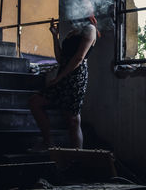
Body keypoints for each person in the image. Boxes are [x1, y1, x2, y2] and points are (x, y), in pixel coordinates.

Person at [28, 13, 99, 150]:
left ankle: (77, 157)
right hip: (63, 73)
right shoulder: (73, 32)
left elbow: (79, 58)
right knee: (34, 102)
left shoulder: (90, 29)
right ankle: (48, 142)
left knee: (73, 120)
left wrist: (57, 79)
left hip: (76, 76)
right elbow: (61, 59)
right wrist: (55, 36)